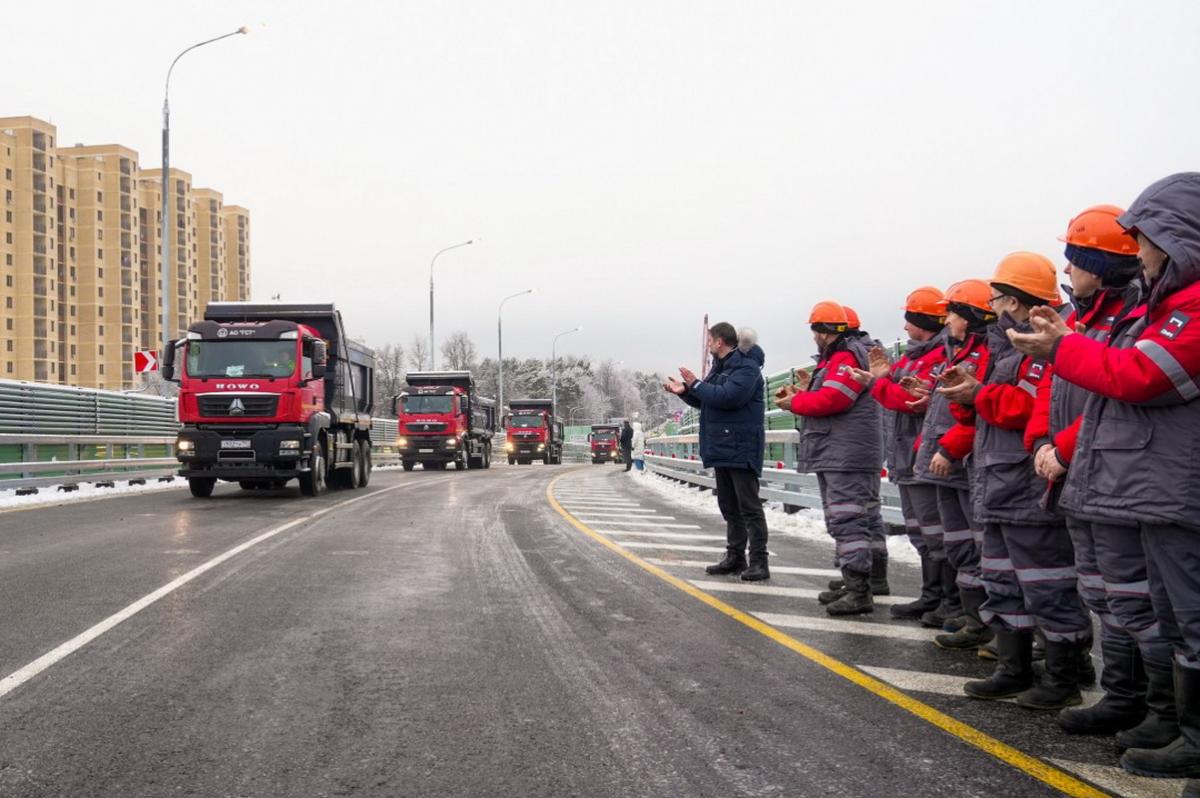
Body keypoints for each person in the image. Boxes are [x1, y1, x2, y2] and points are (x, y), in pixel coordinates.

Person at [1010, 173, 1200, 782]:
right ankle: (1161, 716)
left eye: (1145, 239)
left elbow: (1137, 378)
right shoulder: (1159, 309)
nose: (1139, 251)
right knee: (1158, 610)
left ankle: (1178, 726)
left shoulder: (1181, 311)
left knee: (1180, 613)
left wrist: (1061, 351)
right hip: (1140, 482)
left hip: (1164, 485)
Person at [1025, 205, 1175, 742]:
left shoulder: (1133, 315)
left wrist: (1063, 447)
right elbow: (1052, 386)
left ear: (1097, 263)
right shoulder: (1084, 318)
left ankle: (1163, 709)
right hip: (1081, 473)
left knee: (1134, 596)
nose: (1066, 272)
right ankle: (1123, 695)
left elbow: (1117, 391)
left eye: (1073, 261)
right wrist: (1041, 440)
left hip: (1108, 469)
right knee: (1101, 592)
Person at [938, 252, 1091, 710]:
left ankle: (1065, 675)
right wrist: (968, 393)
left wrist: (978, 392)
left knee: (1046, 582)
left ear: (1021, 302)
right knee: (1003, 579)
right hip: (997, 482)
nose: (994, 306)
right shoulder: (1006, 349)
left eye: (1001, 297)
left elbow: (1025, 409)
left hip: (1024, 484)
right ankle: (1014, 667)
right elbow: (987, 410)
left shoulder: (1041, 347)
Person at [848, 286, 949, 619]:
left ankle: (948, 601)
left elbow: (907, 401)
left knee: (936, 532)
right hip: (907, 454)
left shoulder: (936, 357)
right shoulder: (914, 356)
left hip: (923, 453)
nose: (905, 327)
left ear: (922, 320)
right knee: (921, 531)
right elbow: (900, 390)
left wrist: (877, 383)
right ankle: (932, 595)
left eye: (909, 320)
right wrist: (883, 377)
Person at [775, 301, 883, 615]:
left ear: (825, 331)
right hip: (847, 450)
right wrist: (808, 391)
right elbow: (831, 393)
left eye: (815, 330)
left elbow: (834, 399)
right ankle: (865, 580)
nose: (813, 337)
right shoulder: (845, 356)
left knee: (847, 518)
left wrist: (796, 402)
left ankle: (859, 589)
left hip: (844, 452)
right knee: (861, 517)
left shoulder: (846, 356)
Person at [912, 280, 995, 637]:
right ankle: (971, 615)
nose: (946, 321)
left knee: (976, 544)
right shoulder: (961, 352)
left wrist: (950, 448)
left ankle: (980, 620)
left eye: (952, 313)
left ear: (971, 316)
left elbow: (981, 409)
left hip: (962, 462)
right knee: (959, 542)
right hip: (948, 459)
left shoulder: (986, 353)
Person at [664, 321, 769, 581]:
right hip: (722, 445)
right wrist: (686, 392)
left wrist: (697, 384)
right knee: (729, 506)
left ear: (720, 341)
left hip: (741, 445)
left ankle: (759, 561)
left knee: (749, 507)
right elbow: (708, 399)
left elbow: (728, 397)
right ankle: (735, 556)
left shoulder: (747, 367)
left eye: (710, 341)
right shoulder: (721, 368)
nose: (708, 345)